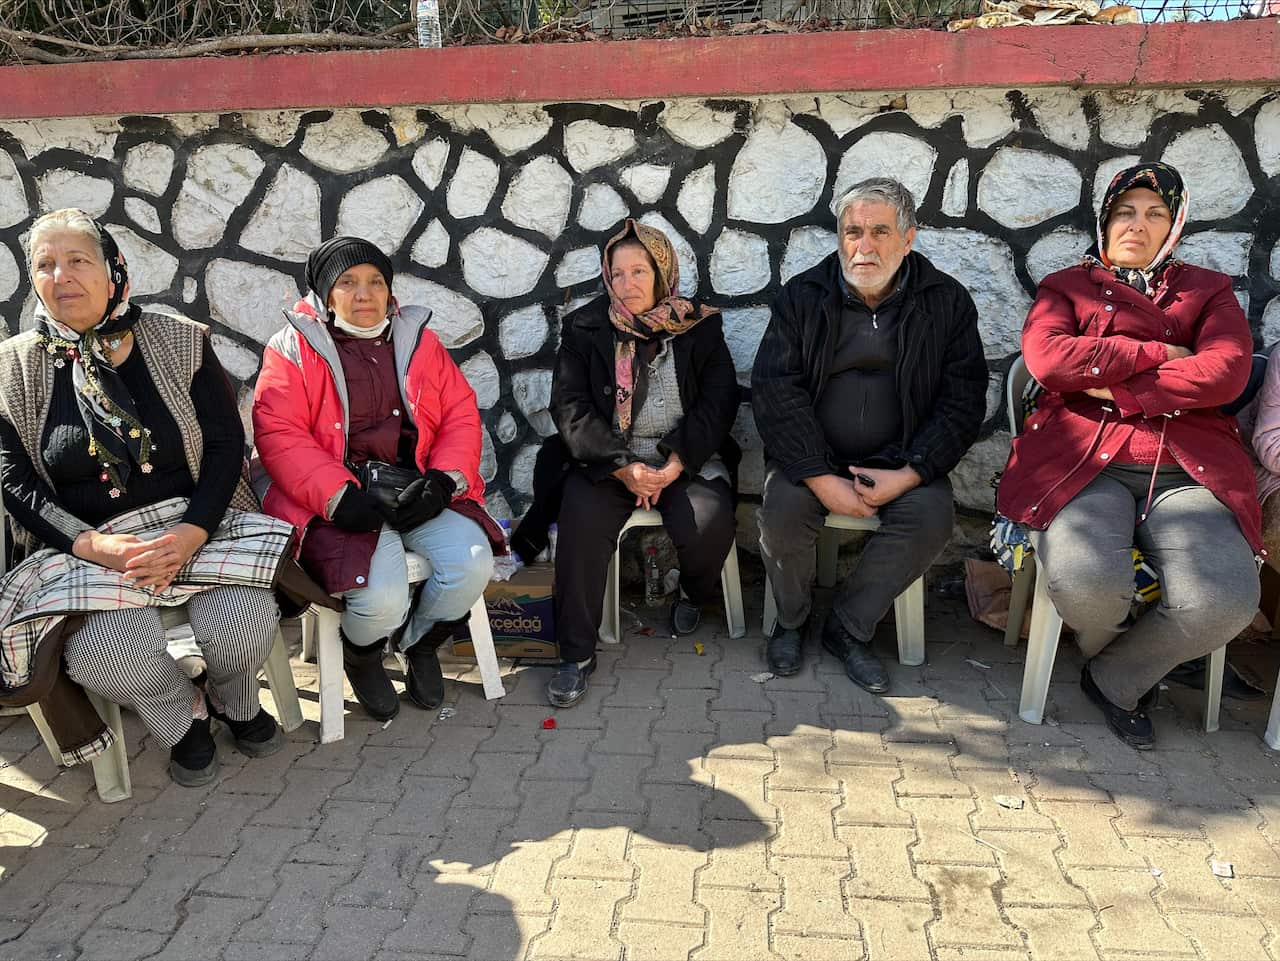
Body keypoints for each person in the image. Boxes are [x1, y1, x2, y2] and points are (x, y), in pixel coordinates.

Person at [0, 208, 296, 787]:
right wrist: (97, 546)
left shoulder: (179, 341)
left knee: (244, 622)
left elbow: (222, 444)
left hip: (194, 522)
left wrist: (192, 532)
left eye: (78, 261)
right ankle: (181, 719)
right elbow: (16, 484)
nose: (61, 277)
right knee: (106, 655)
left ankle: (235, 700)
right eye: (44, 265)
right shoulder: (11, 368)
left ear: (114, 271)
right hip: (87, 545)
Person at [997, 161, 1263, 749]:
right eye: (1124, 212)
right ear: (1104, 219)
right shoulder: (1065, 287)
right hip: (1081, 460)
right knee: (1084, 580)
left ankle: (1114, 675)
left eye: (1154, 214)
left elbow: (1226, 372)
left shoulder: (1207, 290)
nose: (1136, 227)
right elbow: (1049, 361)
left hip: (1187, 468)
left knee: (1226, 601)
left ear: (1174, 226)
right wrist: (1161, 352)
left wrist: (1117, 385)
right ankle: (1150, 660)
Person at [752, 178, 987, 694]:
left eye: (880, 231)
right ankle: (791, 620)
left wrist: (911, 473)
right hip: (816, 459)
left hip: (903, 459)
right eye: (853, 231)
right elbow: (774, 390)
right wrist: (817, 476)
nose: (864, 245)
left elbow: (963, 400)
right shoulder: (802, 298)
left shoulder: (946, 303)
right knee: (782, 514)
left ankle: (849, 626)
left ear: (909, 238)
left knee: (931, 516)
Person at [252, 237, 498, 722]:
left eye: (376, 283)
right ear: (324, 294)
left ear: (390, 292)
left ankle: (420, 643)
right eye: (348, 283)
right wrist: (339, 497)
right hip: (339, 500)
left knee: (471, 564)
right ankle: (361, 654)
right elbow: (280, 434)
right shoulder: (292, 349)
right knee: (381, 598)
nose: (364, 294)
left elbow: (460, 415)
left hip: (413, 487)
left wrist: (444, 483)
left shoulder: (418, 340)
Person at [547, 219, 740, 707]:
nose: (627, 284)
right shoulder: (585, 326)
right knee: (581, 526)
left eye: (639, 272)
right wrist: (621, 466)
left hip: (684, 456)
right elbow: (570, 408)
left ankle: (694, 594)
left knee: (707, 523)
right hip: (609, 460)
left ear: (661, 272)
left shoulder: (699, 325)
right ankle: (575, 654)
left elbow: (719, 402)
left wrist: (677, 462)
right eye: (617, 274)